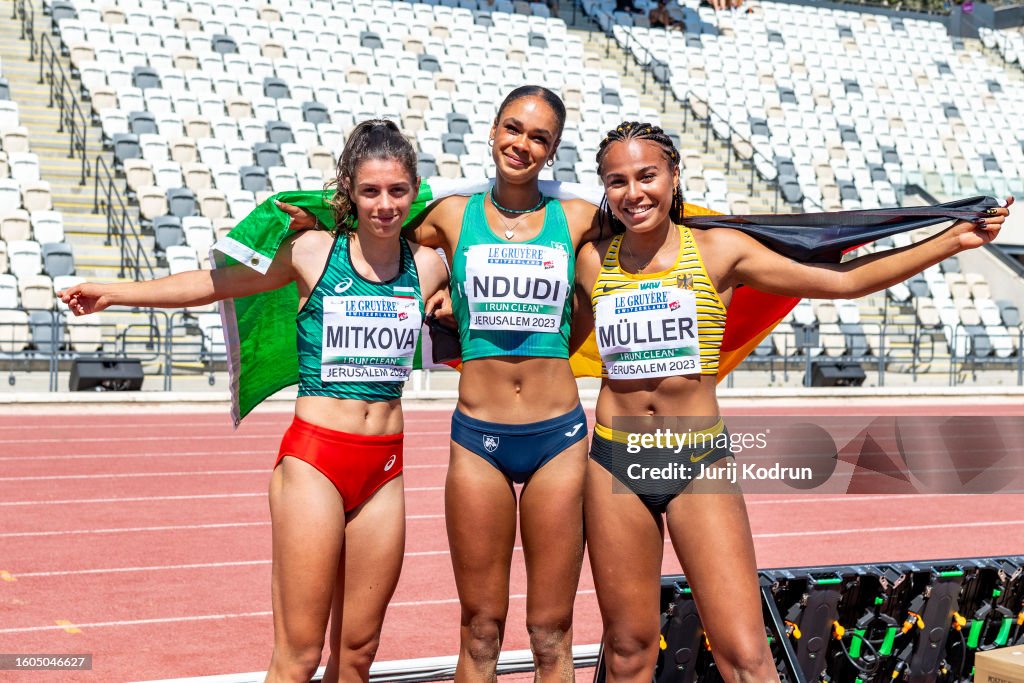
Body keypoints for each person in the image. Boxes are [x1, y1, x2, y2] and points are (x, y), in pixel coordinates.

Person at [572, 121, 1011, 680]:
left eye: (647, 175)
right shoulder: (591, 262)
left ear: (674, 176)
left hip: (694, 459)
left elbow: (844, 280)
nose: (634, 192)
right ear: (603, 189)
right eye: (617, 181)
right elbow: (540, 327)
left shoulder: (720, 250)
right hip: (617, 460)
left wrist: (951, 240)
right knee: (629, 651)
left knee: (745, 654)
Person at [60, 120, 451, 683]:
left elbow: (488, 213)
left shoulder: (431, 262)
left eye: (397, 191)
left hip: (386, 467)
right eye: (369, 191)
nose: (385, 205)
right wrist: (115, 293)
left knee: (359, 653)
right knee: (298, 656)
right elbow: (212, 284)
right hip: (317, 461)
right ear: (348, 192)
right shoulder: (312, 251)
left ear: (415, 192)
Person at [279, 86, 602, 680]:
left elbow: (623, 264)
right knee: (480, 631)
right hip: (478, 436)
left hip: (559, 434)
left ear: (553, 150)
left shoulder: (578, 217)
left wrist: (559, 336)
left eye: (539, 137)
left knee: (551, 632)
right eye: (513, 128)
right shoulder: (451, 215)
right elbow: (379, 225)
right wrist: (322, 219)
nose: (522, 144)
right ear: (493, 130)